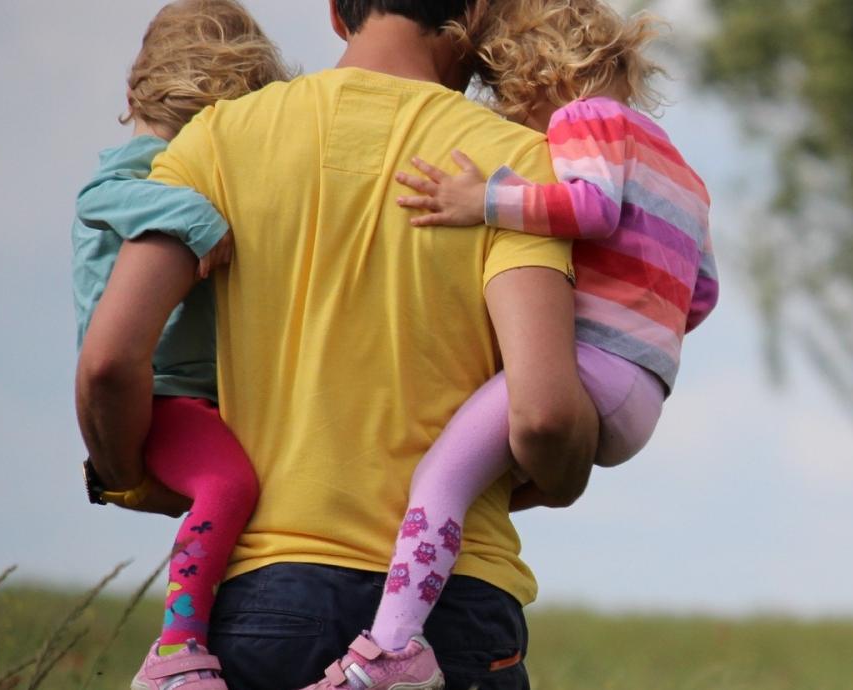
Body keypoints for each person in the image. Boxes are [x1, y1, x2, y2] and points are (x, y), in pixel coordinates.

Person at [75, 0, 600, 687]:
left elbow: (111, 361)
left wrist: (130, 477)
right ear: (474, 12)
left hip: (265, 600)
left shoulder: (215, 140)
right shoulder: (512, 166)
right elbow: (545, 415)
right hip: (450, 611)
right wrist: (564, 475)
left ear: (334, 12)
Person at [338, 0, 716, 675]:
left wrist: (483, 199)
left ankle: (393, 649)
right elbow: (703, 293)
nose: (519, 127)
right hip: (644, 394)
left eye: (512, 101)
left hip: (593, 369)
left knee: (440, 479)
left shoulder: (584, 117)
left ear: (543, 77)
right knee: (484, 484)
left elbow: (593, 210)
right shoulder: (684, 172)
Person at [71, 2, 287, 687]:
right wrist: (195, 213)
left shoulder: (167, 158)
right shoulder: (138, 171)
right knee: (228, 483)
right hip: (162, 392)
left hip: (198, 391)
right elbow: (100, 197)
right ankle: (175, 648)